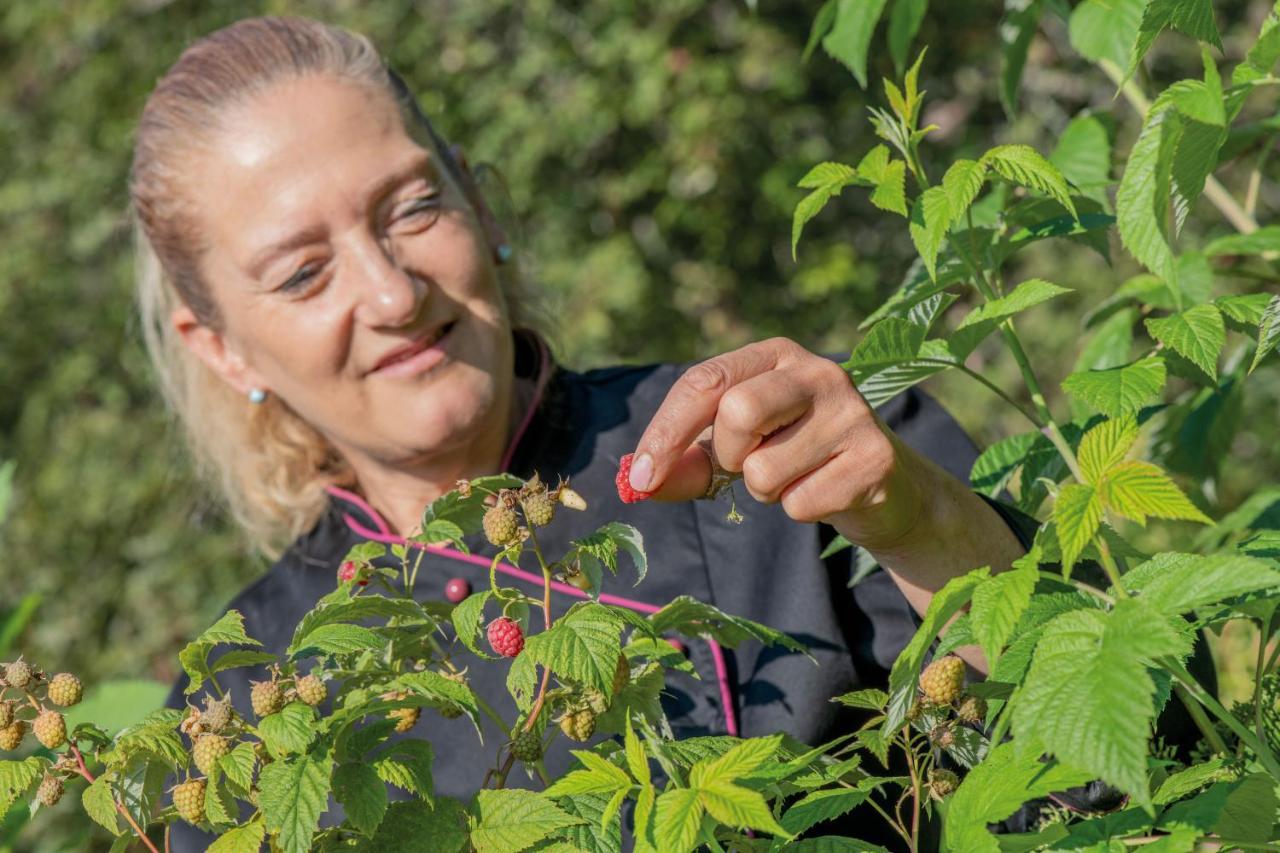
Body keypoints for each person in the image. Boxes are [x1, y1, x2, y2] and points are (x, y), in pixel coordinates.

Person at [130, 16, 1144, 850]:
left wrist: (921, 522)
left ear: (480, 203)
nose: (392, 292)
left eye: (413, 207)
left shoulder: (778, 446)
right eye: (303, 273)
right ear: (221, 348)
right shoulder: (233, 705)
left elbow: (1123, 790)